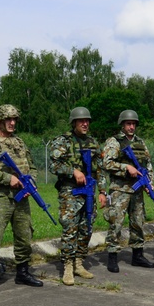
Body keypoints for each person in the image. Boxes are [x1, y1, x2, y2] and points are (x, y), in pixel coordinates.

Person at [0, 104, 44, 294]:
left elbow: (32, 167)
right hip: (1, 198)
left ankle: (23, 272)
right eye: (8, 119)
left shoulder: (20, 143)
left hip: (22, 198)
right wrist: (8, 179)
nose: (12, 123)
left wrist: (32, 183)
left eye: (14, 119)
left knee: (24, 236)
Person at [49, 106, 106, 285]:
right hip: (70, 191)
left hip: (89, 190)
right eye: (81, 121)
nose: (85, 123)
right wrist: (73, 171)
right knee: (70, 228)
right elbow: (54, 166)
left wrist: (103, 191)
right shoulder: (62, 142)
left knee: (86, 227)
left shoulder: (93, 143)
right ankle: (67, 266)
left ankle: (79, 263)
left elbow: (100, 169)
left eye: (87, 121)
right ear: (74, 122)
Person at [101, 109, 154, 272]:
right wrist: (126, 168)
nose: (131, 127)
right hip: (120, 190)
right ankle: (112, 256)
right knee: (116, 223)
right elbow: (107, 163)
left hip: (137, 190)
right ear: (122, 125)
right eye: (128, 124)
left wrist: (149, 183)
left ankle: (137, 255)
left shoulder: (140, 143)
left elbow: (148, 164)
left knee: (138, 222)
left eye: (133, 124)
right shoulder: (114, 142)